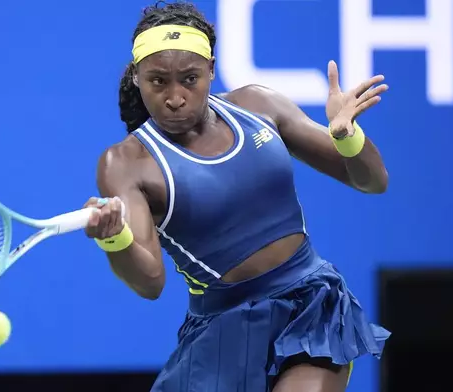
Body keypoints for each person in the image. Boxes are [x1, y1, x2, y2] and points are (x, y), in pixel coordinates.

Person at [83, 2, 390, 391]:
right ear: (138, 78)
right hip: (221, 332)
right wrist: (114, 238)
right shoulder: (126, 162)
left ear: (211, 69)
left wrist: (347, 137)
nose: (174, 97)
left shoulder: (258, 105)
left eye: (190, 79)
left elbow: (371, 180)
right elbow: (150, 282)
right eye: (157, 82)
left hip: (311, 309)